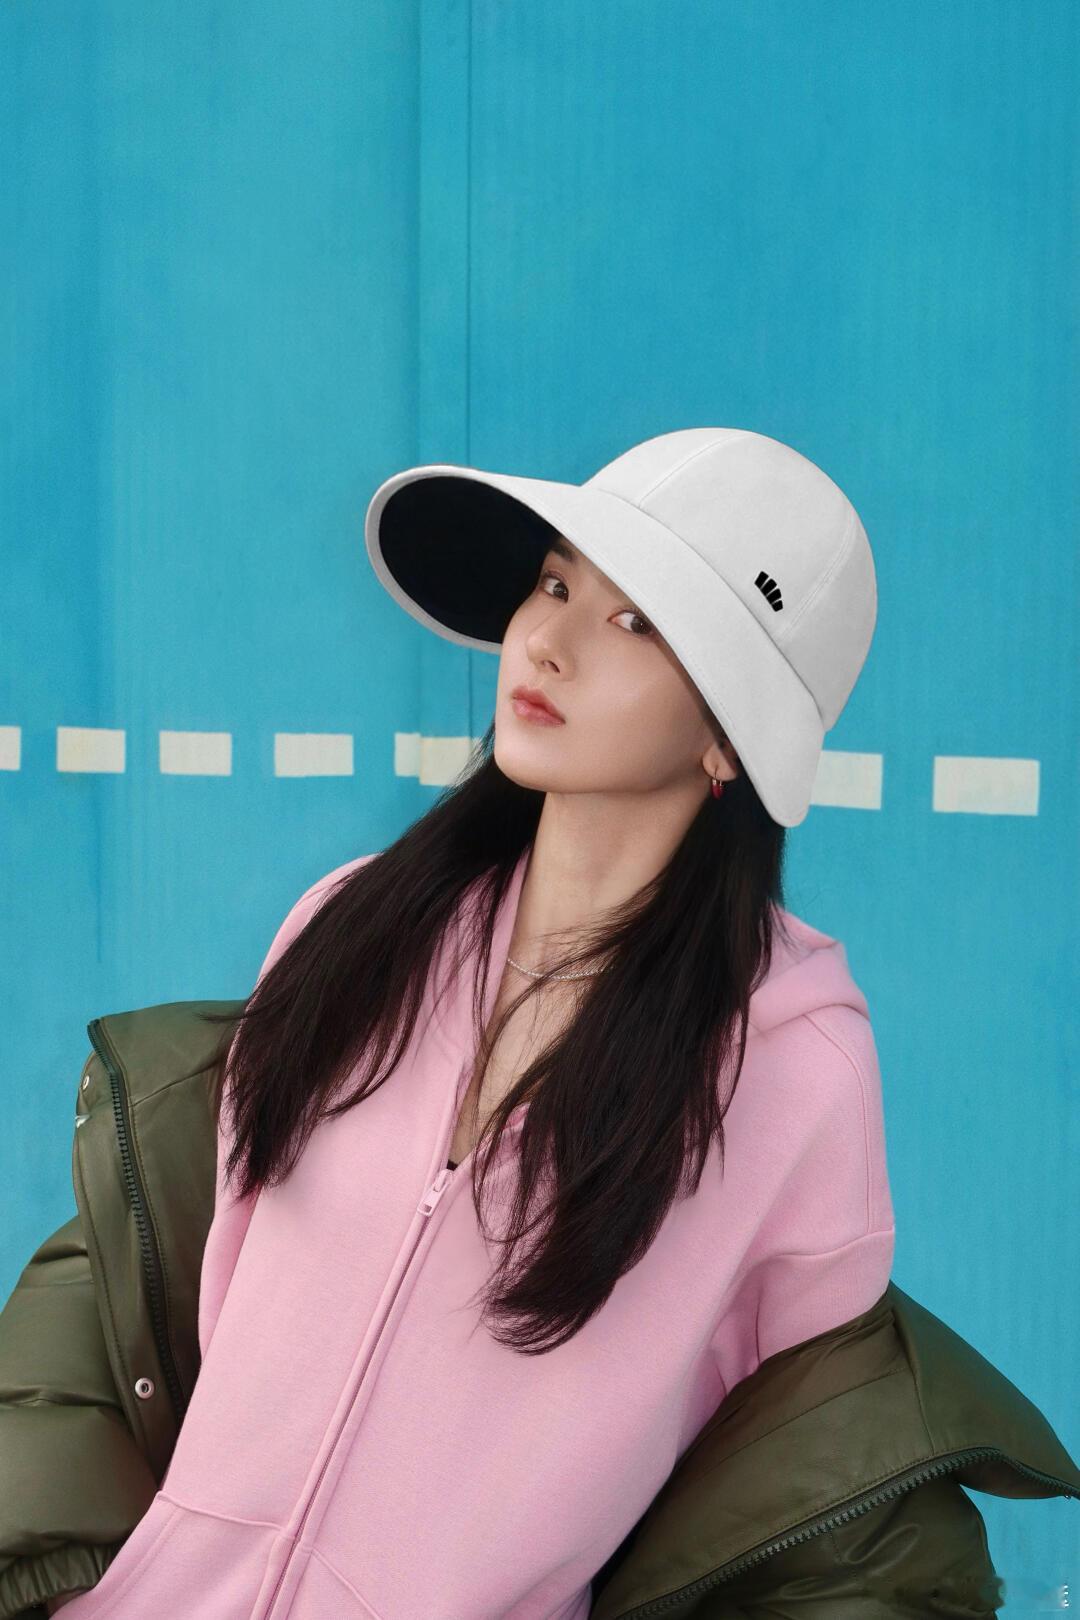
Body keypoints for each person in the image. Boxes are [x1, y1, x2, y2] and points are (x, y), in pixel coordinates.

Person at [39, 428, 899, 1618]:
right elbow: (198, 1311)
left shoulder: (796, 1075)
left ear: (728, 737)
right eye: (553, 583)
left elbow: (801, 1506)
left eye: (634, 620)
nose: (545, 641)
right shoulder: (355, 927)